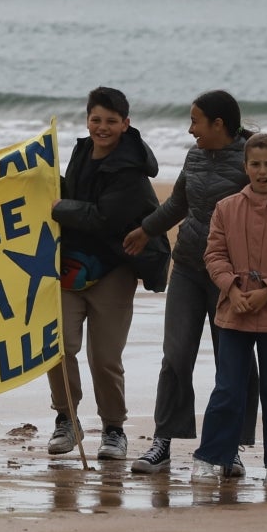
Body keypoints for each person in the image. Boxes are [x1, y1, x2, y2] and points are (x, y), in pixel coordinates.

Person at [123, 89, 261, 476]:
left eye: (196, 121)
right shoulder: (195, 156)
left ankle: (230, 446)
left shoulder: (251, 160)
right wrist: (145, 230)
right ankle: (163, 441)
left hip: (232, 278)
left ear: (219, 124)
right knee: (176, 355)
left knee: (231, 363)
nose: (190, 129)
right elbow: (178, 204)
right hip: (186, 265)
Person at [45, 86, 165, 460]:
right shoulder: (82, 151)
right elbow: (74, 196)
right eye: (96, 119)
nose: (102, 127)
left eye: (111, 121)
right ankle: (67, 420)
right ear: (87, 120)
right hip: (71, 265)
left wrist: (60, 207)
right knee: (58, 346)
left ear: (126, 124)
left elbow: (104, 218)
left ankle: (114, 429)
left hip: (115, 267)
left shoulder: (130, 168)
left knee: (105, 358)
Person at [192, 132, 267, 487]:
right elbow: (214, 255)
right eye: (255, 164)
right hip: (236, 310)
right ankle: (211, 456)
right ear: (245, 167)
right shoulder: (226, 207)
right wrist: (231, 287)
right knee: (228, 387)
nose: (262, 171)